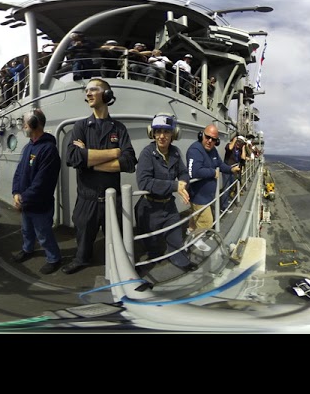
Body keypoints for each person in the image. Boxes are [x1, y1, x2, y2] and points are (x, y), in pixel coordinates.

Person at [63, 78, 137, 274]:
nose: (88, 93)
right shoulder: (80, 127)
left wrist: (90, 159)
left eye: (93, 89)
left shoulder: (118, 128)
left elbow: (129, 162)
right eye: (86, 90)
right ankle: (81, 259)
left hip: (113, 199)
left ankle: (118, 265)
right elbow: (73, 158)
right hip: (87, 198)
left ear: (107, 95)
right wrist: (114, 153)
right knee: (83, 235)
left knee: (116, 240)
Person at [135, 114, 197, 272]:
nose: (162, 136)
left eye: (166, 131)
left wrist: (183, 183)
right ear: (152, 133)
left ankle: (181, 261)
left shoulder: (175, 153)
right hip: (149, 207)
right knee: (153, 248)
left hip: (168, 206)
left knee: (176, 241)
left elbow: (183, 172)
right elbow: (145, 182)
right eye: (158, 131)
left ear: (173, 134)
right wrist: (175, 186)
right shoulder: (147, 154)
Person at [11, 109, 63, 274]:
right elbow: (19, 172)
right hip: (27, 203)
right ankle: (28, 250)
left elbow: (42, 183)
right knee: (26, 230)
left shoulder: (48, 149)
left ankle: (54, 258)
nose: (24, 127)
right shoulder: (28, 147)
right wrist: (16, 193)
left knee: (44, 234)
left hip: (40, 204)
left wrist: (23, 198)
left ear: (34, 124)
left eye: (26, 124)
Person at [186, 124, 240, 236]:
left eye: (213, 139)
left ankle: (191, 234)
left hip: (207, 197)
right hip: (199, 197)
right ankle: (198, 245)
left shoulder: (213, 150)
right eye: (207, 137)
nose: (210, 141)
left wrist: (231, 169)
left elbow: (220, 164)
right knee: (207, 223)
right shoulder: (195, 150)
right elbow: (194, 172)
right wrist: (212, 172)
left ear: (217, 141)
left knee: (195, 220)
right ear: (202, 135)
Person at [221, 134, 247, 212]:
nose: (239, 144)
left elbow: (243, 157)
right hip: (227, 169)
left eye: (241, 143)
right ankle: (224, 207)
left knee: (231, 186)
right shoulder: (229, 145)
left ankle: (227, 200)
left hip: (234, 170)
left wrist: (243, 148)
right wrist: (234, 140)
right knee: (226, 187)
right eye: (239, 142)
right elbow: (230, 148)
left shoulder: (239, 150)